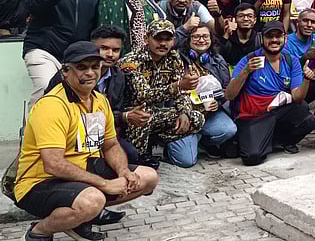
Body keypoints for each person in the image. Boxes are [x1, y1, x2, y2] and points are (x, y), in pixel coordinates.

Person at [14, 41, 159, 241]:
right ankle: (39, 231)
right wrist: (105, 184)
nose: (90, 73)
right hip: (39, 182)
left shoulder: (100, 100)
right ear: (65, 71)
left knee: (148, 177)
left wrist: (123, 171)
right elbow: (53, 164)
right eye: (81, 67)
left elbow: (111, 145)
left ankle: (79, 219)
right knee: (93, 200)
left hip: (83, 169)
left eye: (94, 67)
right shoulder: (52, 105)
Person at [44, 26, 140, 173]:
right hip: (69, 136)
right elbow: (51, 113)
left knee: (131, 156)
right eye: (104, 48)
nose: (110, 54)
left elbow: (115, 112)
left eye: (115, 50)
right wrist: (123, 116)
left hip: (99, 134)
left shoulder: (119, 76)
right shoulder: (67, 75)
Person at [23, 0, 101, 109]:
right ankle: (31, 135)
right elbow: (32, 5)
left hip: (76, 54)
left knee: (79, 99)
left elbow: (94, 20)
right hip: (43, 48)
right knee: (46, 89)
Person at [225, 21, 315, 165]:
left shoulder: (291, 60)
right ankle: (252, 140)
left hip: (277, 110)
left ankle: (276, 141)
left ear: (285, 38)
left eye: (278, 36)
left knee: (307, 118)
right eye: (269, 36)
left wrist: (306, 80)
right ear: (262, 38)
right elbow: (229, 95)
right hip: (253, 115)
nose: (274, 40)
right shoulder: (249, 60)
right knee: (252, 157)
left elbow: (297, 97)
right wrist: (246, 72)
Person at [118, 20, 204, 162]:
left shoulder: (174, 58)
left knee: (196, 118)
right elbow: (143, 95)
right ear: (147, 38)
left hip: (157, 114)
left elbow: (181, 93)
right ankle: (140, 155)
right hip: (132, 115)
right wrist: (178, 85)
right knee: (143, 118)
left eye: (168, 39)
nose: (163, 44)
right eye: (158, 38)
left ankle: (156, 141)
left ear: (173, 40)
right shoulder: (132, 61)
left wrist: (184, 111)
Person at [166, 25, 237, 167]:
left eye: (205, 36)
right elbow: (169, 43)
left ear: (211, 39)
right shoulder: (175, 58)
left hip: (207, 113)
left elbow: (226, 90)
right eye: (196, 36)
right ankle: (172, 144)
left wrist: (218, 102)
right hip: (182, 113)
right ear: (188, 40)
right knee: (186, 161)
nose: (201, 40)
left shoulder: (218, 60)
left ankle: (202, 141)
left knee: (228, 130)